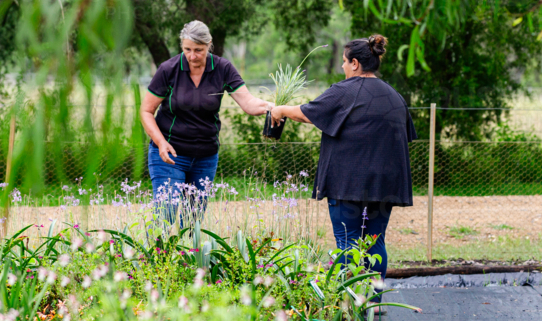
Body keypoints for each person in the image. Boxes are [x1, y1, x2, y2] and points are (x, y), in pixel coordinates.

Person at [270, 34, 416, 282]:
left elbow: (308, 113)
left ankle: (347, 305)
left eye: (345, 62)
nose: (342, 66)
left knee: (347, 243)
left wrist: (280, 109)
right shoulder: (394, 96)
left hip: (347, 184)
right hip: (386, 186)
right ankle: (373, 304)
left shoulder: (345, 90)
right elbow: (406, 137)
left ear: (355, 63)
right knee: (375, 244)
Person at [140, 21, 271, 215]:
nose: (192, 56)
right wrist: (160, 142)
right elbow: (146, 111)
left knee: (193, 218)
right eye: (187, 49)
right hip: (169, 154)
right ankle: (162, 246)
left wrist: (273, 108)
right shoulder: (168, 70)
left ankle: (190, 247)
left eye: (198, 50)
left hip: (205, 157)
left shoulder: (222, 68)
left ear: (209, 44)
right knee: (166, 213)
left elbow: (248, 103)